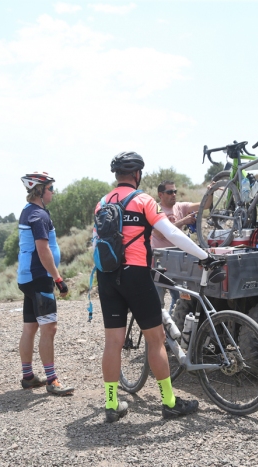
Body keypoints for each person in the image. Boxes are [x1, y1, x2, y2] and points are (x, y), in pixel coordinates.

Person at [95, 152, 215, 423]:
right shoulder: (143, 200)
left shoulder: (101, 203)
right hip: (136, 274)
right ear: (137, 174)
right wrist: (203, 256)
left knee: (112, 342)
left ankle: (112, 404)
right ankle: (170, 402)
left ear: (116, 176)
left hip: (107, 276)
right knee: (156, 338)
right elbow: (171, 233)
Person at [16, 171, 74, 396]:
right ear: (40, 191)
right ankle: (52, 380)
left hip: (27, 277)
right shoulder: (39, 215)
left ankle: (28, 376)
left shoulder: (28, 211)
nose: (53, 192)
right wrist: (58, 279)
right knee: (49, 328)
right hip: (40, 278)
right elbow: (43, 249)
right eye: (51, 188)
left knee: (30, 328)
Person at [150, 180, 200, 311]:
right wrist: (183, 221)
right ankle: (159, 329)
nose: (174, 194)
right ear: (160, 194)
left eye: (175, 191)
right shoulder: (154, 209)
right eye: (170, 192)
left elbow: (203, 205)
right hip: (158, 261)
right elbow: (160, 234)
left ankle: (174, 328)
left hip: (176, 260)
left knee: (179, 300)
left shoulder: (180, 207)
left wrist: (211, 192)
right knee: (157, 301)